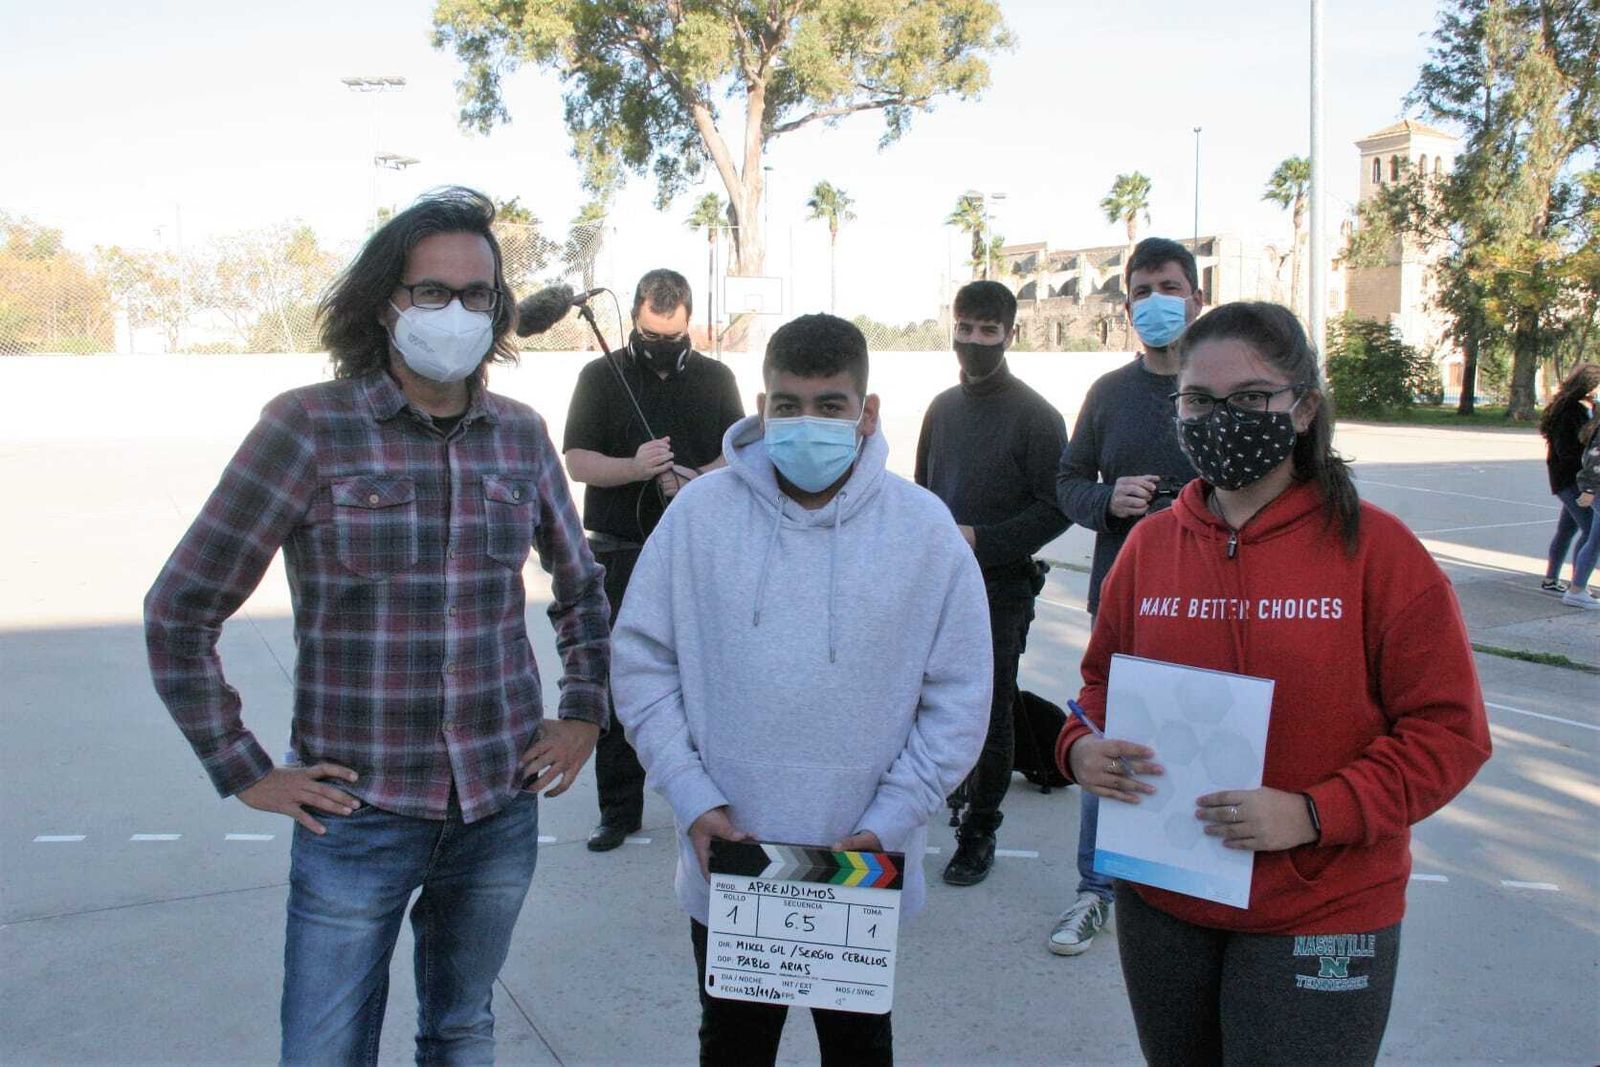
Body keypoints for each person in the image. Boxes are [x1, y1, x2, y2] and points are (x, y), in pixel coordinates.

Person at [143, 188, 611, 1064]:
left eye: (478, 295)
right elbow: (179, 608)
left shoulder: (519, 435)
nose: (457, 312)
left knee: (463, 1028)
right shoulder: (308, 428)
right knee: (325, 1049)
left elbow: (581, 588)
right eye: (432, 292)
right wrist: (243, 768)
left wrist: (583, 709)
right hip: (356, 813)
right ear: (385, 304)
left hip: (496, 804)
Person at [1056, 301, 1491, 1066]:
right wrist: (1079, 750)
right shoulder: (1151, 547)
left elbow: (1450, 733)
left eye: (1252, 399)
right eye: (1199, 401)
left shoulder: (1379, 552)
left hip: (1323, 906)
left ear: (1304, 407)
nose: (1222, 418)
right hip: (1165, 900)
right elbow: (1097, 686)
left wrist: (1313, 812)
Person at [612, 313, 991, 1066]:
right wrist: (692, 795)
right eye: (787, 405)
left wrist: (891, 819)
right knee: (734, 1048)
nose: (806, 422)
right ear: (761, 407)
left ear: (867, 412)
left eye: (829, 405)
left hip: (862, 862)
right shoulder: (696, 518)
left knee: (857, 1051)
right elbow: (643, 662)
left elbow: (959, 696)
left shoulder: (925, 531)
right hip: (733, 858)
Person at [1047, 236, 1205, 955]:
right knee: (1110, 745)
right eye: (1141, 290)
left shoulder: (1218, 390)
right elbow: (1068, 481)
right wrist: (1112, 500)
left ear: (1197, 298)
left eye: (1168, 287)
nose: (1154, 302)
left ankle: (1198, 888)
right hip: (1125, 602)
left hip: (1216, 606)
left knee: (1215, 739)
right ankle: (1096, 890)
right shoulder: (1110, 394)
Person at [563, 268, 744, 851]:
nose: (660, 347)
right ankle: (618, 809)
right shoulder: (601, 375)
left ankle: (713, 799)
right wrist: (636, 468)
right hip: (620, 551)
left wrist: (697, 481)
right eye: (649, 335)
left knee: (706, 678)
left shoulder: (718, 378)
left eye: (671, 336)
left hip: (697, 550)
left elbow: (739, 453)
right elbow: (578, 461)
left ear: (690, 321)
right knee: (621, 682)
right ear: (635, 318)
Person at [914, 279, 1069, 886]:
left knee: (993, 706)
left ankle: (980, 830)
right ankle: (954, 790)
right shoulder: (941, 409)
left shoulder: (1036, 416)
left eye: (987, 330)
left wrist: (983, 539)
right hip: (942, 586)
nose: (974, 341)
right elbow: (925, 494)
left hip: (1003, 586)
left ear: (1011, 333)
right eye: (965, 328)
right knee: (937, 699)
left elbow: (1057, 508)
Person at [1538, 362, 1600, 608]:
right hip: (1571, 479)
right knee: (1588, 530)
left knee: (1568, 529)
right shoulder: (1571, 410)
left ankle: (1553, 578)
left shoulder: (1568, 406)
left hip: (1567, 477)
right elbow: (1569, 450)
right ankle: (1578, 585)